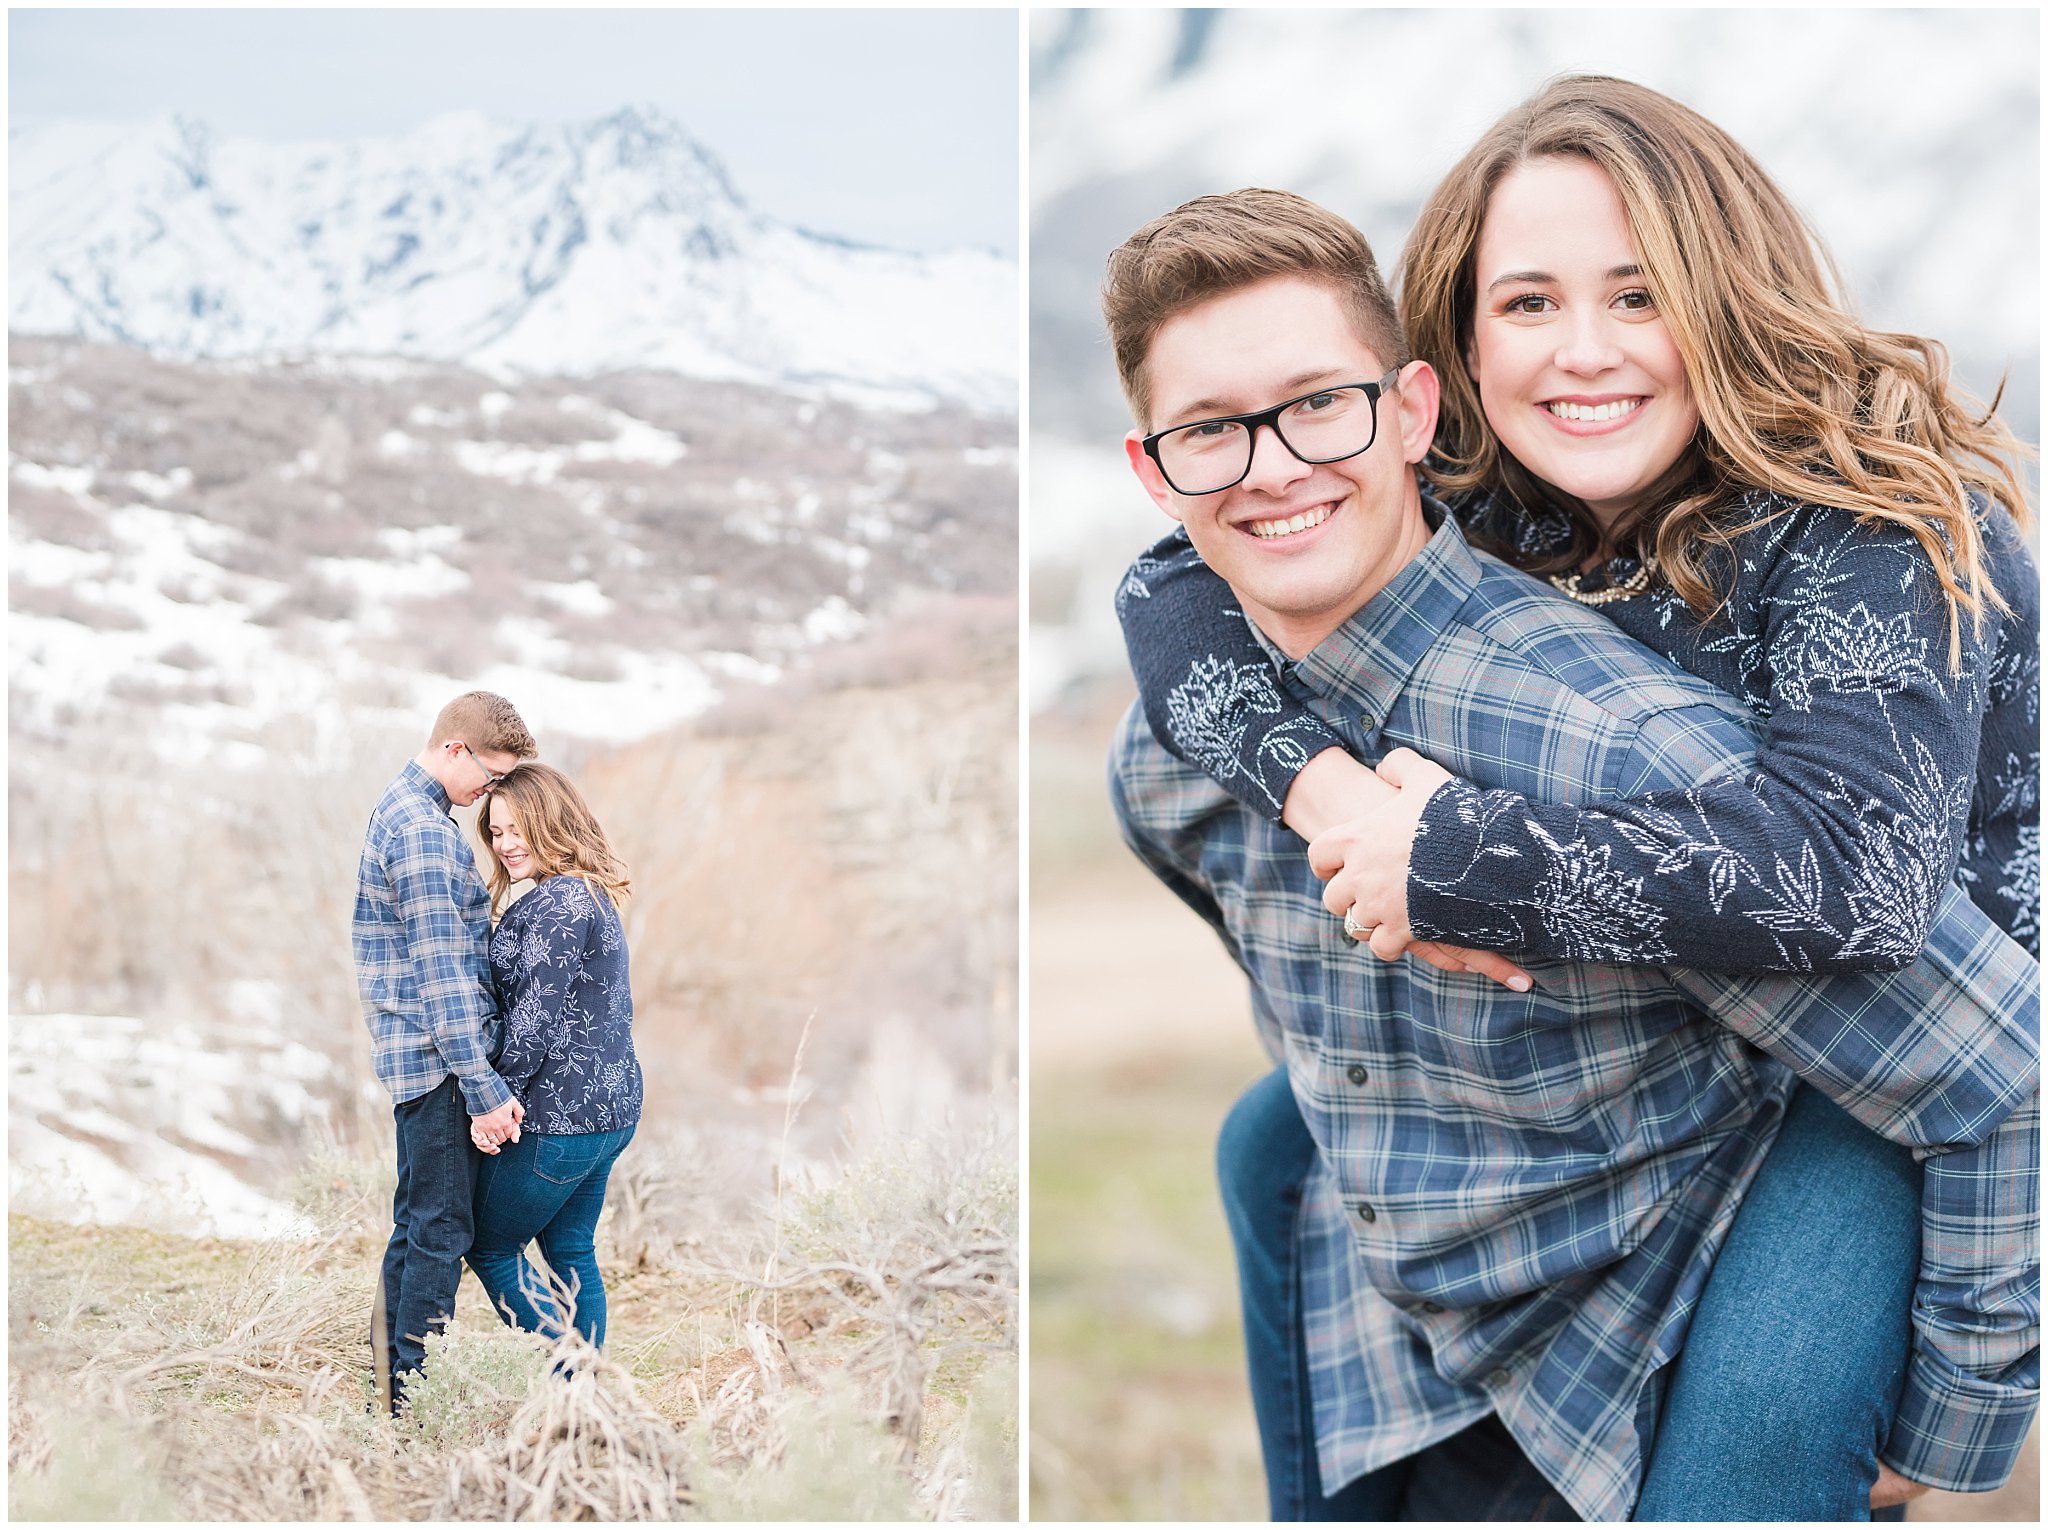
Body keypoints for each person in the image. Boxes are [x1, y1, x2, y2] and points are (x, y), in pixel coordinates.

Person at [1114, 78, 2041, 1520]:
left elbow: (1855, 885)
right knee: (1274, 1142)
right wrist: (1318, 786)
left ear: (1725, 302)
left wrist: (1453, 861)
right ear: (1454, 360)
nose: (1584, 352)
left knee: (1761, 1437)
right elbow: (1174, 577)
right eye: (1530, 304)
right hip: (1704, 1007)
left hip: (1904, 1035)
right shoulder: (1501, 484)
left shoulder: (1867, 528)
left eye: (1640, 294)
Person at [353, 690, 535, 1411]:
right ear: (454, 748)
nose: (490, 794)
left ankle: (388, 1389)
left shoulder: (409, 812)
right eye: (489, 776)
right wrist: (485, 1088)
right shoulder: (425, 834)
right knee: (441, 1231)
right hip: (440, 1064)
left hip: (420, 1062)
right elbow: (443, 977)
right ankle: (415, 1404)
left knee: (416, 1226)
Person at [464, 762, 641, 1349]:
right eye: (496, 831)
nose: (506, 844)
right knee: (569, 1248)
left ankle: (572, 1373)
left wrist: (494, 1100)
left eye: (519, 829)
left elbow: (535, 1020)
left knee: (491, 1249)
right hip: (609, 1114)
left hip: (559, 1119)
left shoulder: (559, 903)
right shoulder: (587, 893)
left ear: (553, 823)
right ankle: (588, 1401)